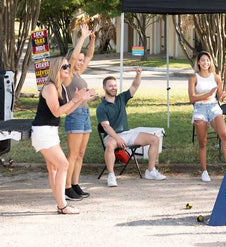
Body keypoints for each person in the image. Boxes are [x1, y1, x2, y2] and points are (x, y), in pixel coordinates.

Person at [31, 57, 95, 214]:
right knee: (63, 165)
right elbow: (56, 111)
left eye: (68, 66)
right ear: (56, 69)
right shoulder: (50, 87)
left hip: (50, 131)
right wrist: (75, 99)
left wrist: (80, 100)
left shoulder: (60, 88)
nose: (68, 68)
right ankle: (62, 205)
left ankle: (60, 204)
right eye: (64, 66)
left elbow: (68, 111)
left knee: (53, 168)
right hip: (43, 131)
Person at [96, 68, 166, 187]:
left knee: (155, 139)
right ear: (104, 88)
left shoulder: (121, 98)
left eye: (115, 85)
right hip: (111, 136)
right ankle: (111, 175)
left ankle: (150, 171)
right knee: (109, 145)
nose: (113, 88)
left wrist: (138, 74)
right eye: (110, 86)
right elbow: (106, 127)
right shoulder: (101, 107)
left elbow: (134, 86)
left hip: (127, 134)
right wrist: (117, 138)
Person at [64, 24, 96, 201]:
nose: (81, 61)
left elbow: (89, 55)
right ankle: (66, 187)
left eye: (82, 60)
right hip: (74, 116)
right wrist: (82, 38)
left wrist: (92, 40)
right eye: (79, 60)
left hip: (84, 115)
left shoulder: (79, 74)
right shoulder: (68, 74)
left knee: (81, 154)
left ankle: (75, 184)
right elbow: (75, 55)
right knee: (73, 154)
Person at [188, 51, 226, 182]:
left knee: (224, 135)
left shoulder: (216, 77)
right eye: (203, 60)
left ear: (210, 62)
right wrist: (207, 94)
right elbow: (191, 98)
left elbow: (219, 95)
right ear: (198, 63)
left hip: (214, 107)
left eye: (208, 60)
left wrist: (223, 96)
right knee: (203, 142)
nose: (205, 63)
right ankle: (204, 171)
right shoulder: (193, 78)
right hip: (200, 108)